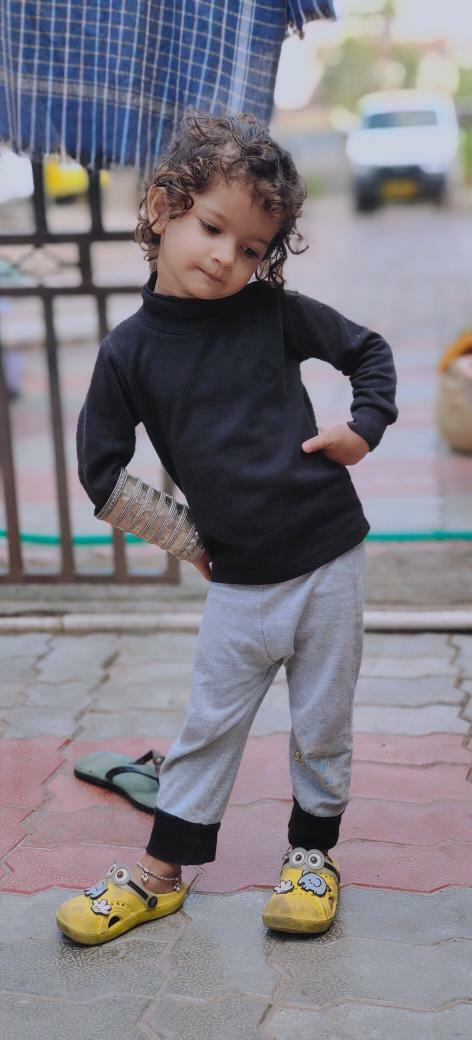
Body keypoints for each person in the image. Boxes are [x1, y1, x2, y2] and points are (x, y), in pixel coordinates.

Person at [56, 111, 397, 945]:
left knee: (323, 725)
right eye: (212, 228)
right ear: (163, 207)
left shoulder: (270, 313)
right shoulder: (128, 353)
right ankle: (160, 875)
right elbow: (100, 476)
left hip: (329, 556)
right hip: (240, 583)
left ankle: (311, 859)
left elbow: (369, 352)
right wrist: (188, 540)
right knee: (207, 727)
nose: (226, 258)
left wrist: (363, 428)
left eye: (250, 248)